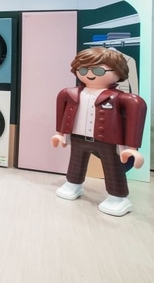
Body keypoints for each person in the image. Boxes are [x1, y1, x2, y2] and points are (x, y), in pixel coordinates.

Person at [52, 47, 147, 216]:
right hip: (78, 137)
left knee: (113, 167)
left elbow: (136, 113)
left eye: (98, 70)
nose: (89, 74)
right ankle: (73, 184)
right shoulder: (71, 93)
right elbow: (62, 111)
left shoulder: (120, 98)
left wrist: (132, 147)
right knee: (76, 162)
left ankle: (118, 197)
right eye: (83, 70)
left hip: (108, 141)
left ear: (118, 72)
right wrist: (60, 134)